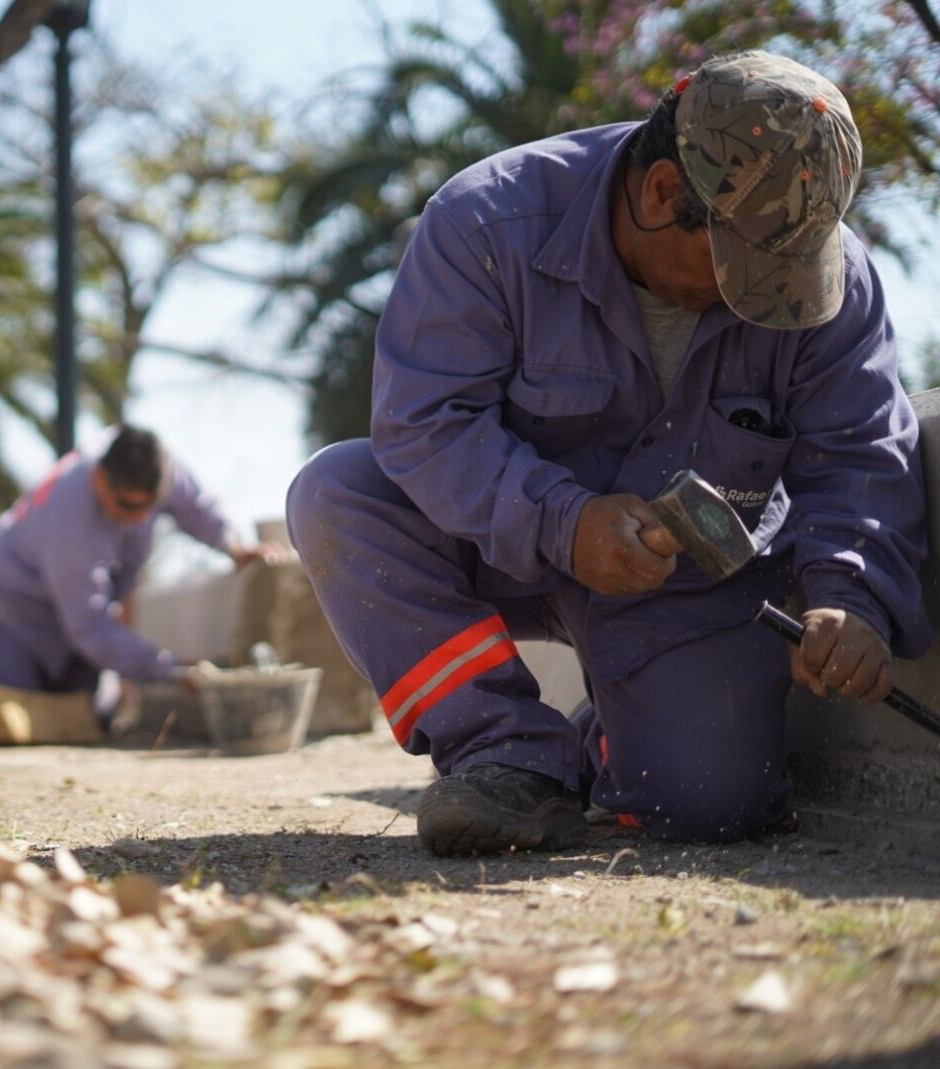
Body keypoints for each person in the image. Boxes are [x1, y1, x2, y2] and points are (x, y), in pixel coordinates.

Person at [285, 51, 930, 856]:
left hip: (684, 588)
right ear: (662, 193)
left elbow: (861, 449)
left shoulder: (831, 285)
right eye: (743, 268)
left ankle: (609, 743)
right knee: (337, 494)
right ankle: (505, 754)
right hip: (499, 549)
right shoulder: (486, 225)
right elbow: (425, 424)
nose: (763, 297)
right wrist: (565, 521)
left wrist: (850, 596)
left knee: (710, 807)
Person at [0, 424, 281, 725]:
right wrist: (170, 668)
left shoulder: (155, 468)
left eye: (149, 507)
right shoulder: (70, 523)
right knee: (9, 711)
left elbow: (197, 507)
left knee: (96, 713)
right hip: (10, 606)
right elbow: (91, 630)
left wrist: (234, 546)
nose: (139, 518)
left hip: (69, 613)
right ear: (99, 479)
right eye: (127, 506)